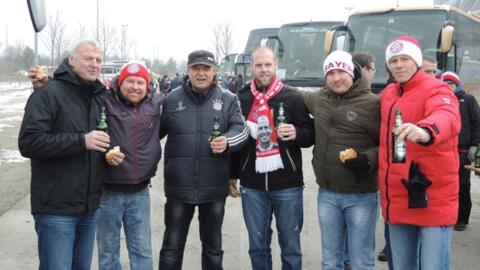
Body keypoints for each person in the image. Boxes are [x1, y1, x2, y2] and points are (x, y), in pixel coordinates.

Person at [19, 40, 108, 269]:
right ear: (71, 60)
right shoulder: (48, 94)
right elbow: (29, 143)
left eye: (98, 60)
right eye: (88, 58)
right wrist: (81, 141)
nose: (94, 64)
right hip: (56, 209)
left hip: (88, 208)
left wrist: (110, 155)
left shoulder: (97, 97)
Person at [158, 50, 249, 270]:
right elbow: (152, 135)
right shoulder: (171, 100)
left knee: (213, 248)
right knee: (171, 247)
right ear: (187, 71)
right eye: (195, 69)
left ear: (214, 71)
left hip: (214, 187)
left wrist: (227, 141)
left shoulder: (228, 99)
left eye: (206, 69)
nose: (200, 73)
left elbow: (242, 129)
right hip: (179, 187)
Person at [380, 36, 460, 270]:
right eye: (393, 60)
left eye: (405, 59)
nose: (399, 65)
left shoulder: (438, 88)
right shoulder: (388, 95)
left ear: (416, 61)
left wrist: (426, 130)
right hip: (398, 197)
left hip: (432, 198)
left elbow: (447, 116)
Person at [230, 47, 314, 270]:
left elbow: (310, 134)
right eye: (258, 65)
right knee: (257, 247)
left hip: (287, 184)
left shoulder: (292, 96)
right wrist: (232, 175)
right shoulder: (242, 98)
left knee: (291, 247)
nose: (264, 69)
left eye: (268, 64)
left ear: (276, 65)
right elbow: (237, 139)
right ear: (251, 68)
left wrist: (297, 133)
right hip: (253, 184)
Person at [302, 50, 380, 270]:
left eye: (341, 71)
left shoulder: (374, 104)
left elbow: (389, 144)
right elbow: (293, 94)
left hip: (361, 196)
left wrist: (369, 159)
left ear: (353, 72)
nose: (336, 78)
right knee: (330, 260)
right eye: (330, 73)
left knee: (360, 261)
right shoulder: (319, 98)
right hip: (327, 194)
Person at [95, 62, 163, 269]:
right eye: (130, 81)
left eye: (140, 82)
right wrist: (104, 155)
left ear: (148, 84)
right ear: (120, 83)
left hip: (140, 192)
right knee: (108, 253)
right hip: (108, 192)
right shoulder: (102, 101)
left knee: (142, 251)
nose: (135, 86)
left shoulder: (157, 103)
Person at [441, 71, 480, 231]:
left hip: (463, 150)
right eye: (446, 83)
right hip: (445, 151)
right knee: (446, 185)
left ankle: (462, 218)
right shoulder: (441, 100)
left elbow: (477, 123)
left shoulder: (468, 100)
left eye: (452, 83)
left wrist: (475, 145)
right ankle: (448, 215)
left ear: (457, 84)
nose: (449, 86)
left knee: (463, 184)